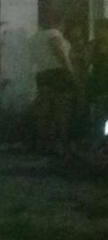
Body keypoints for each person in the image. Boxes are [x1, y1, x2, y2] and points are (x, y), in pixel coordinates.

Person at [28, 14, 77, 155]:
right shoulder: (53, 34)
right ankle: (63, 144)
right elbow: (58, 52)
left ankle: (42, 144)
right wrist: (70, 70)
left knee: (44, 110)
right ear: (59, 23)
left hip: (42, 74)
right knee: (62, 109)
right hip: (57, 73)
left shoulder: (34, 38)